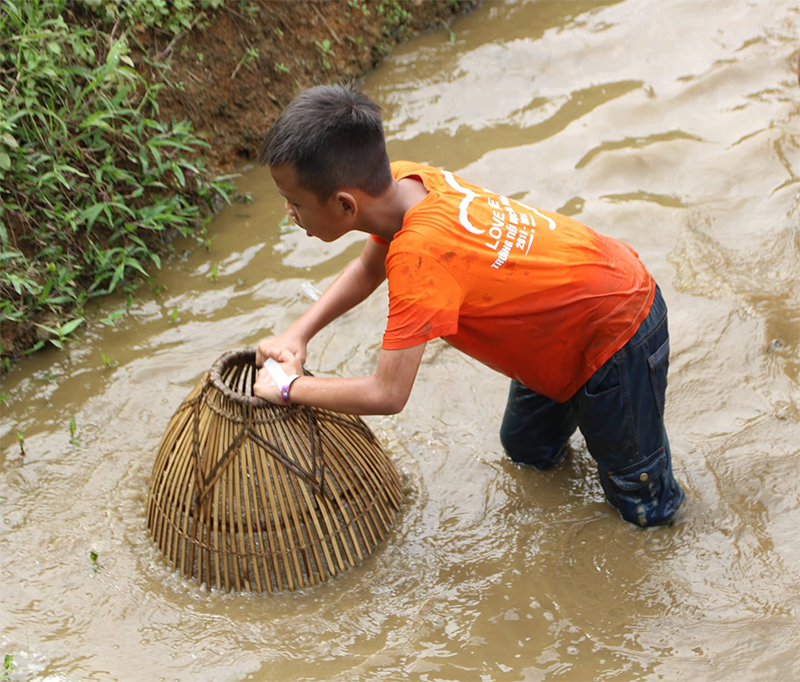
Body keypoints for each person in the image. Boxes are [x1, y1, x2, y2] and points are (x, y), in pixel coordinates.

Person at [253, 84, 685, 527]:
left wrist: (291, 389)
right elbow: (367, 270)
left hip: (619, 328)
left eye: (296, 202)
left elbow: (387, 393)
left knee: (642, 501)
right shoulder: (405, 182)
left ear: (346, 205)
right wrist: (297, 334)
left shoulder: (419, 258)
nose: (289, 212)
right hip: (564, 318)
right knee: (527, 451)